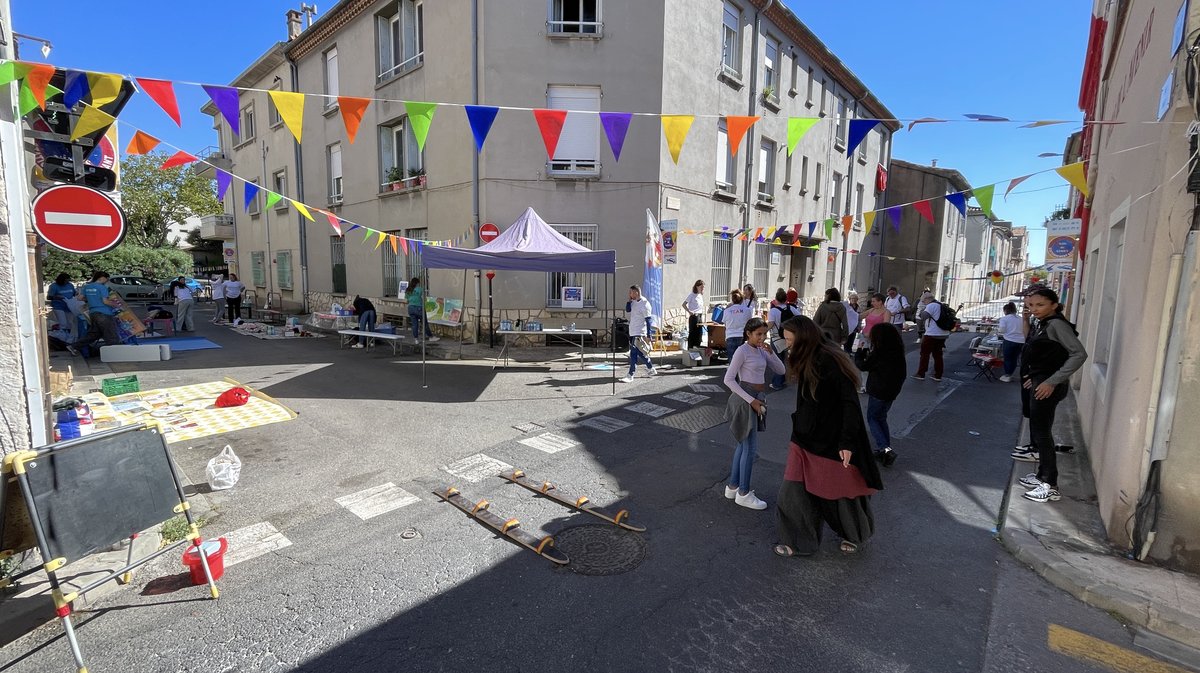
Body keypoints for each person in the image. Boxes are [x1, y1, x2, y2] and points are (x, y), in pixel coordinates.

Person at [775, 315, 883, 557]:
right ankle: (797, 541)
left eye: (791, 341)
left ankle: (853, 535)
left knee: (838, 493)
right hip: (802, 438)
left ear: (804, 338)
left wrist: (846, 442)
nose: (788, 346)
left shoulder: (829, 360)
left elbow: (849, 403)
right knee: (792, 491)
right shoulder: (806, 356)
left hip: (831, 440)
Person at [1015, 288, 1088, 504]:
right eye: (1031, 305)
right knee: (1040, 432)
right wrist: (1036, 376)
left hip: (1048, 386)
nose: (1034, 309)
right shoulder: (1045, 322)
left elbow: (1079, 354)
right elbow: (1046, 354)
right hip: (1041, 382)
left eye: (1040, 305)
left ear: (1054, 305)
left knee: (1043, 434)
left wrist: (1051, 381)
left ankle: (1050, 484)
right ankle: (1041, 476)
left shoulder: (1056, 324)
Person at [723, 317, 785, 511]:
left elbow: (781, 370)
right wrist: (752, 401)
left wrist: (771, 353)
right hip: (746, 399)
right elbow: (729, 380)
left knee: (743, 446)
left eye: (764, 334)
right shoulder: (742, 351)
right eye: (758, 334)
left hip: (756, 398)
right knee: (749, 448)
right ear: (748, 334)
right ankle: (744, 493)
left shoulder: (761, 350)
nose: (762, 337)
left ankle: (733, 487)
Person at [855, 323, 906, 467]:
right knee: (881, 418)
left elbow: (863, 366)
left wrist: (859, 352)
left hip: (879, 390)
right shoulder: (897, 351)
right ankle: (884, 449)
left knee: (872, 419)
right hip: (892, 390)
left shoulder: (880, 352)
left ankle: (885, 448)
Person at [70, 271, 122, 355]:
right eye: (107, 279)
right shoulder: (102, 287)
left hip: (93, 313)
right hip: (104, 313)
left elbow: (79, 298)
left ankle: (74, 346)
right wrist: (115, 304)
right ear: (102, 278)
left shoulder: (87, 287)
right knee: (111, 334)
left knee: (94, 334)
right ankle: (115, 354)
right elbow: (105, 301)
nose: (107, 281)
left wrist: (90, 299)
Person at [621, 285, 656, 382]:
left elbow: (649, 320)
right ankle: (650, 368)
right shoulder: (633, 302)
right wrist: (629, 300)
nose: (630, 294)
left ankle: (630, 374)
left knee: (633, 353)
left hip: (639, 332)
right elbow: (628, 310)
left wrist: (649, 335)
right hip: (633, 330)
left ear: (636, 292)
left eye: (631, 292)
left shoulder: (645, 304)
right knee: (639, 353)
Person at [767, 289, 799, 390]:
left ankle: (777, 383)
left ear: (776, 299)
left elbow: (771, 324)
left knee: (777, 361)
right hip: (789, 337)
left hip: (776, 338)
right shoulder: (791, 308)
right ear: (786, 299)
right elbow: (801, 317)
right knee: (787, 360)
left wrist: (763, 331)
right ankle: (785, 379)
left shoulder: (773, 311)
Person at [913, 291, 949, 381]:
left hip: (932, 333)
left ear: (927, 299)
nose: (923, 303)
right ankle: (938, 375)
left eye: (923, 301)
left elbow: (923, 317)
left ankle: (921, 374)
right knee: (938, 355)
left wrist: (922, 309)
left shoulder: (931, 306)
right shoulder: (940, 305)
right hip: (943, 333)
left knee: (924, 354)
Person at [997, 301, 1026, 382]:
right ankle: (1010, 374)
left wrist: (998, 331)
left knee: (1007, 358)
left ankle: (1007, 374)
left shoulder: (1004, 319)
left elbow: (1002, 330)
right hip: (1020, 341)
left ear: (1005, 311)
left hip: (1009, 340)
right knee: (1014, 358)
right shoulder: (1020, 318)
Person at [47, 273, 79, 341]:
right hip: (58, 306)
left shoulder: (70, 285)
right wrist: (56, 297)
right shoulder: (54, 286)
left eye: (68, 281)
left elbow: (74, 293)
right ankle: (62, 337)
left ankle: (68, 337)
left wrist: (76, 294)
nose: (67, 282)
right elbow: (49, 297)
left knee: (70, 323)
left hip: (69, 306)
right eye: (65, 281)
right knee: (63, 323)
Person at [721, 289, 753, 356]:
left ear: (732, 300)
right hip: (743, 336)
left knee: (732, 361)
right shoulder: (747, 310)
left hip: (730, 336)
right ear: (741, 299)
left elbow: (724, 323)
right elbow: (750, 323)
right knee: (743, 360)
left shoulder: (727, 311)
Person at [405, 277, 438, 342]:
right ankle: (430, 337)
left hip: (410, 308)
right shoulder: (420, 289)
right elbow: (424, 298)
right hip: (419, 308)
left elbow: (406, 301)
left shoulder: (408, 289)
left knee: (414, 324)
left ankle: (416, 339)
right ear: (417, 283)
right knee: (424, 323)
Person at [682, 280, 705, 349]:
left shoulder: (700, 295)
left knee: (699, 334)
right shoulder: (692, 295)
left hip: (700, 315)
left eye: (703, 287)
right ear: (697, 287)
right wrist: (689, 311)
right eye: (701, 287)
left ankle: (697, 347)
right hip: (694, 316)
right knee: (693, 333)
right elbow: (684, 304)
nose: (702, 289)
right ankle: (690, 348)